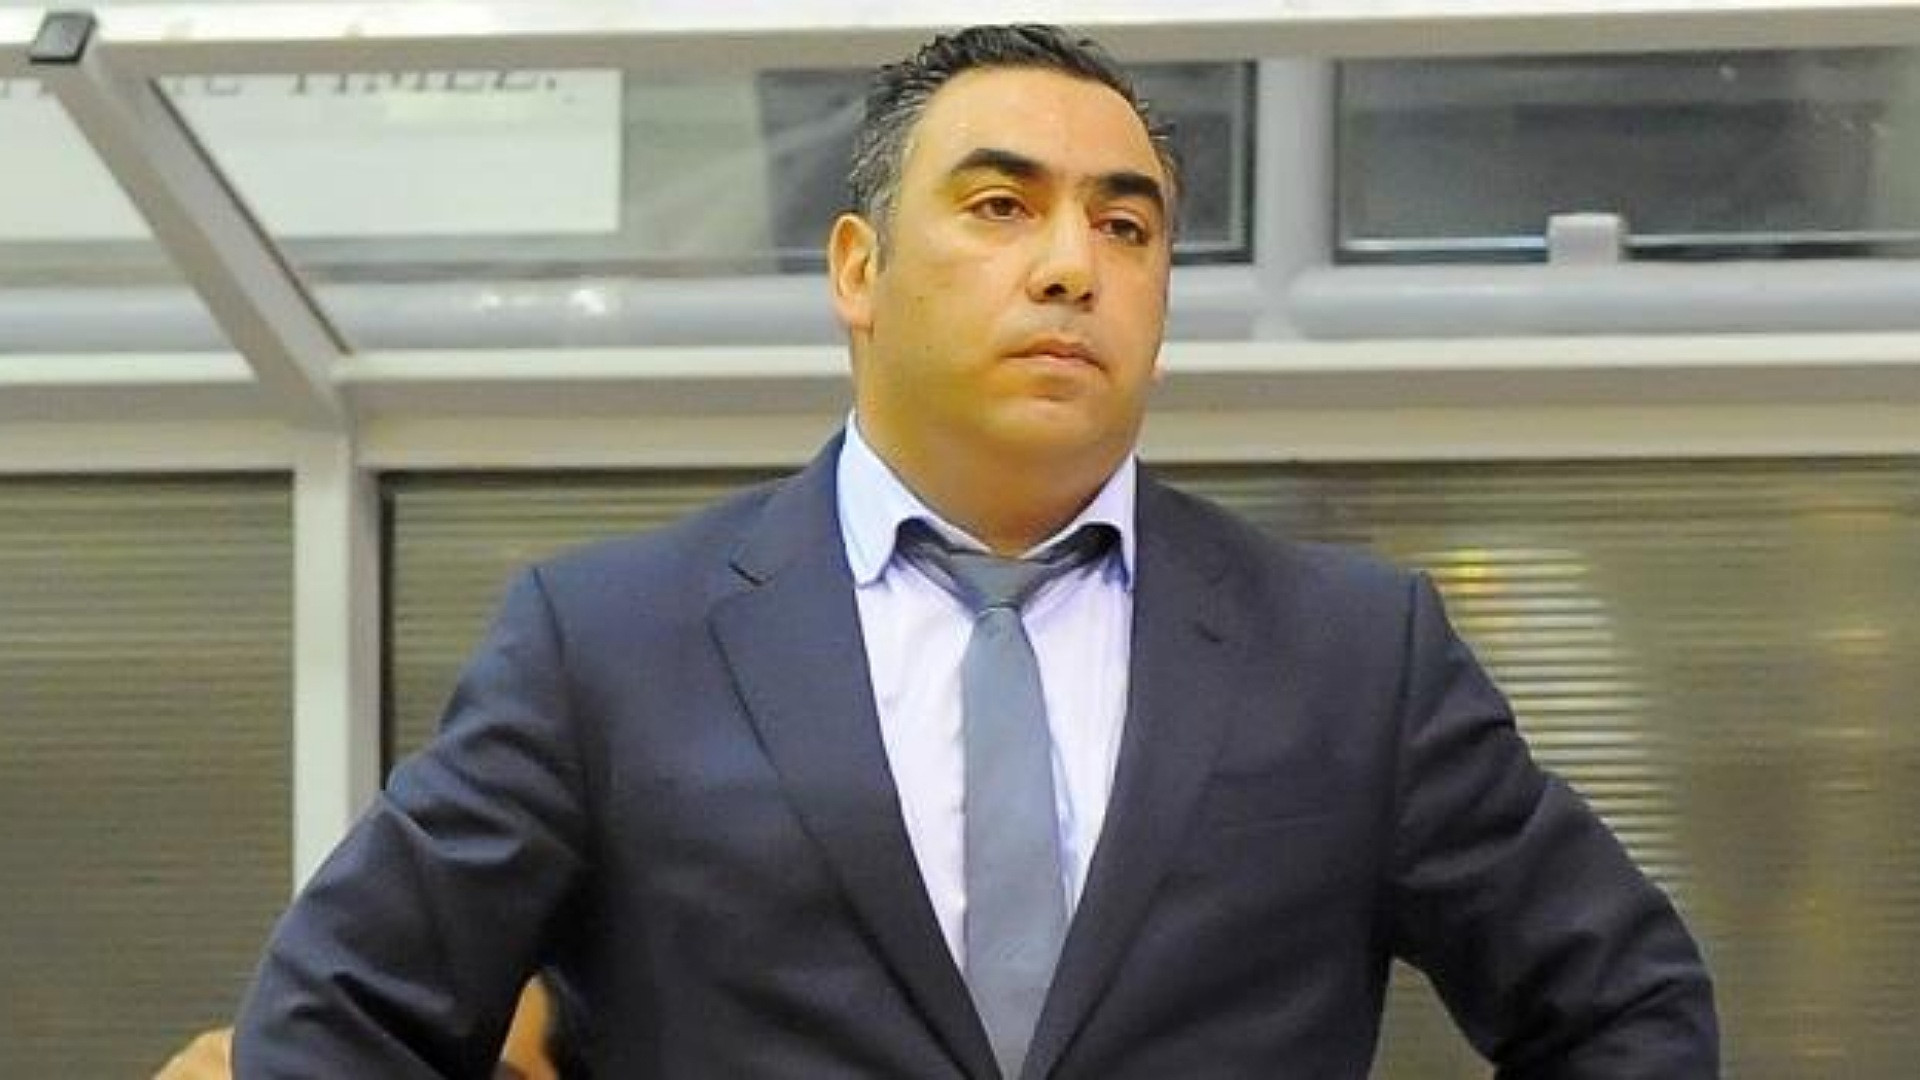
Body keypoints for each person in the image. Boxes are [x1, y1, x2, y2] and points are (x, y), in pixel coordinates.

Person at [234, 24, 1717, 1078]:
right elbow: (337, 1023)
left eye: (1127, 228)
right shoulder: (611, 644)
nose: (1073, 264)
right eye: (1003, 207)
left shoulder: (1348, 653)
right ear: (858, 270)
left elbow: (1626, 1007)